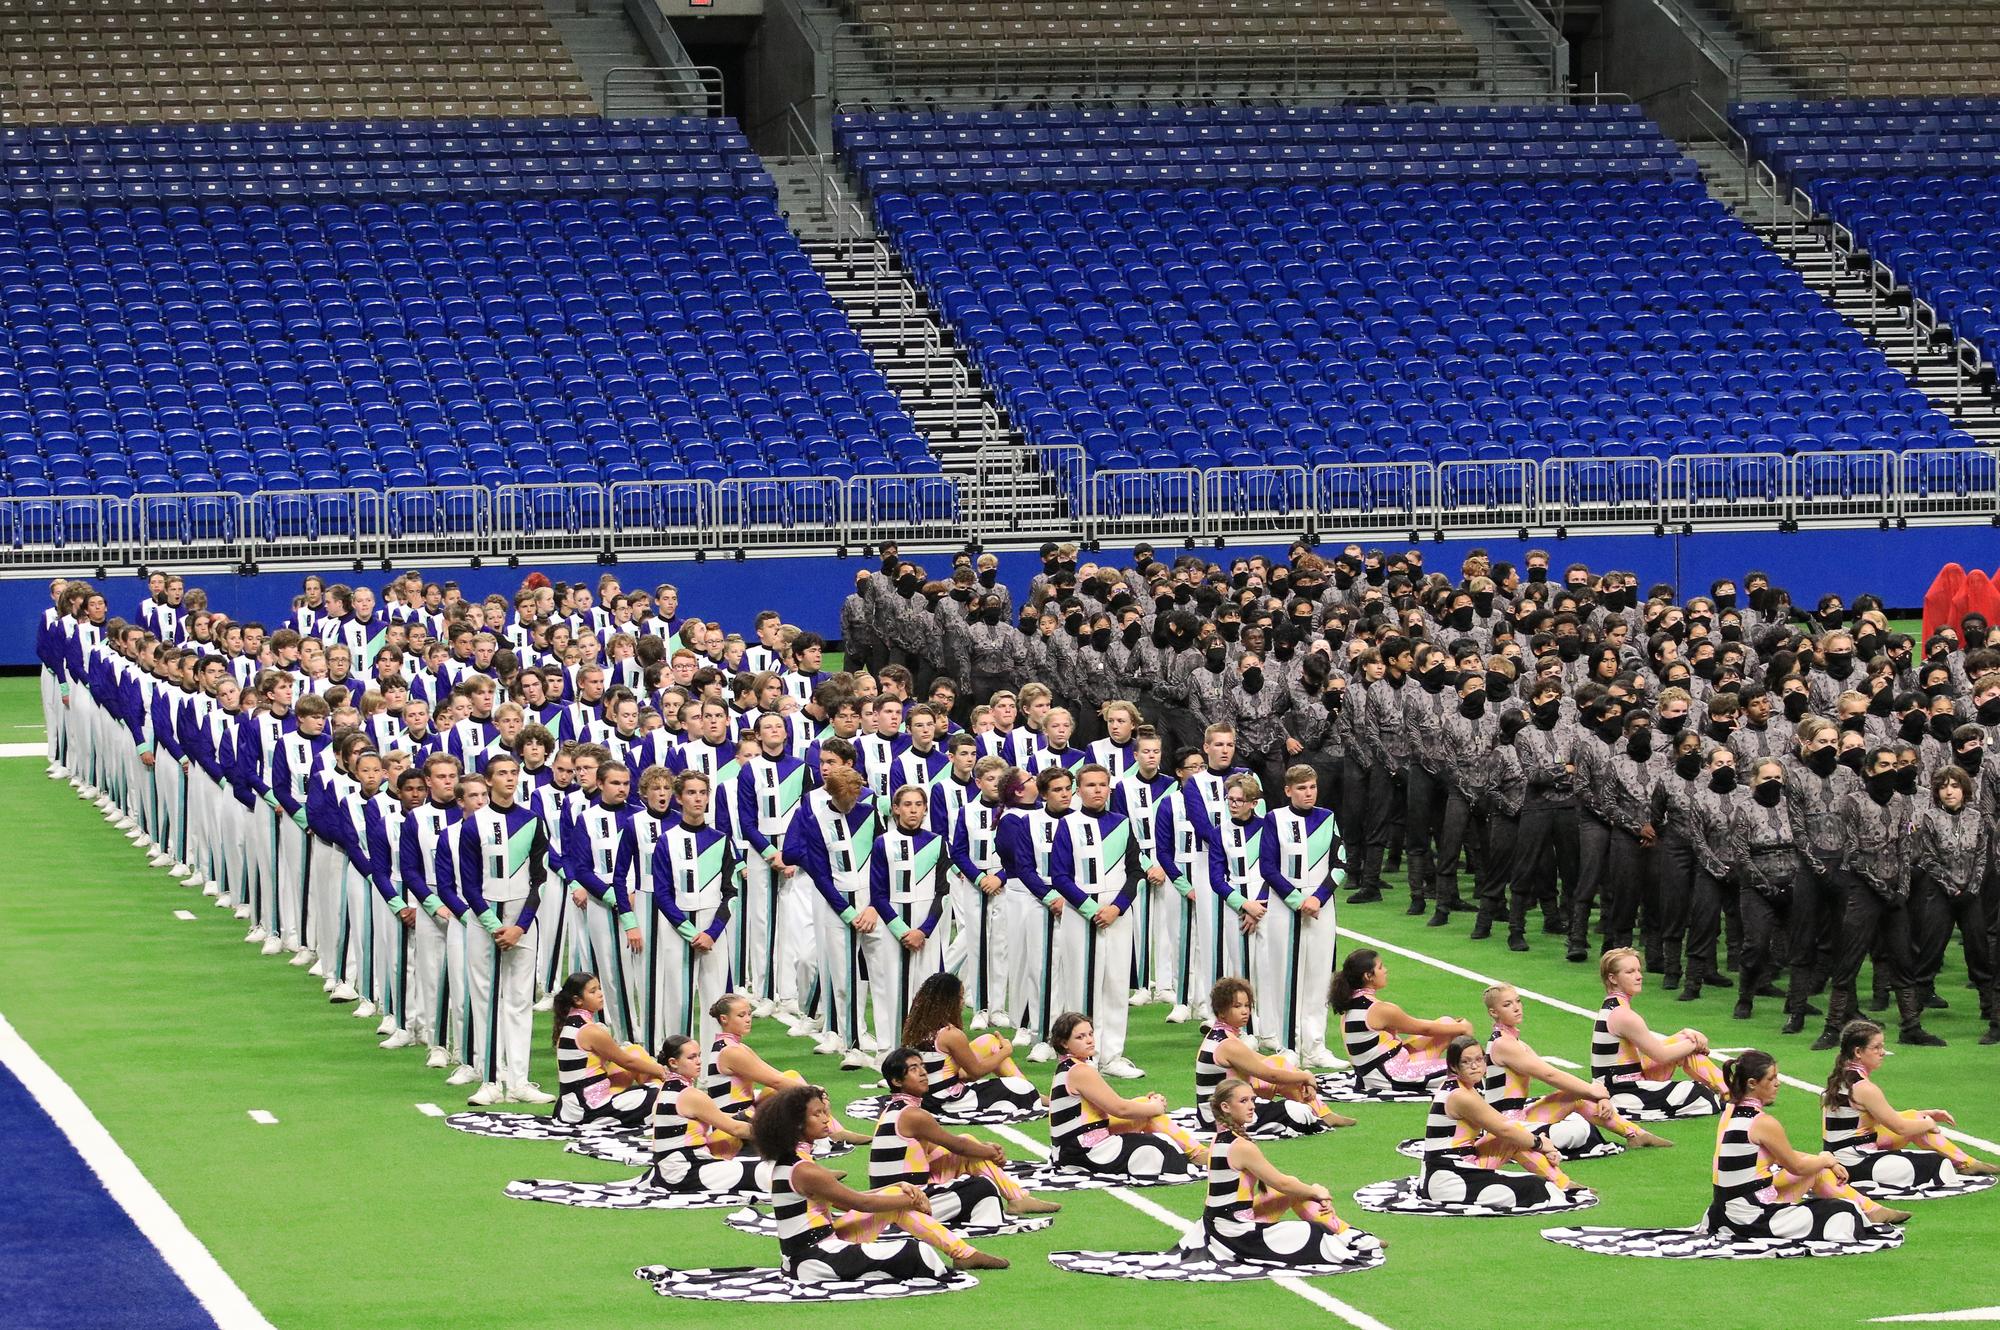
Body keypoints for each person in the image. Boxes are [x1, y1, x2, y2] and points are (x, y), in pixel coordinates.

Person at [752, 1084, 1009, 1281]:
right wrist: (909, 1200)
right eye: (816, 1114)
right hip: (813, 1259)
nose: (826, 1118)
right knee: (916, 1254)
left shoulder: (795, 1161)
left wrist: (899, 1191)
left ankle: (964, 1254)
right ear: (797, 1124)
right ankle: (964, 1253)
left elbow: (851, 1198)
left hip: (816, 1247)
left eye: (824, 1112)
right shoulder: (804, 1170)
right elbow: (861, 1203)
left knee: (898, 1203)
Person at [1710, 1049, 1907, 1238]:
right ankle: (1870, 1210)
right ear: (1752, 1083)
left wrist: (1824, 1161)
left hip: (1723, 1212)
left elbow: (1784, 1155)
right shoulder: (1763, 1122)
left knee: (1819, 1171)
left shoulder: (1730, 1111)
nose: (1778, 1083)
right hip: (1749, 1217)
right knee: (1844, 1211)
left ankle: (1873, 1210)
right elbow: (1797, 1167)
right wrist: (1827, 1159)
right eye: (1771, 1079)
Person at [1201, 1078, 1379, 1266]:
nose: (1252, 1106)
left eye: (1252, 1100)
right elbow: (1281, 1183)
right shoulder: (1241, 1146)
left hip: (1218, 1224)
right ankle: (1349, 1236)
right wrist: (1317, 1192)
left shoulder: (1219, 1139)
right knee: (1315, 1233)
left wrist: (1311, 1192)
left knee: (1297, 1190)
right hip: (1233, 1233)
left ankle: (1347, 1234)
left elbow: (1286, 1185)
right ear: (1225, 1107)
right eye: (1243, 1101)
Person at [872, 1048, 1061, 1219]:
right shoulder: (913, 1115)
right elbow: (957, 1146)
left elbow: (939, 1148)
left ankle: (1017, 1198)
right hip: (904, 1201)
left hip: (898, 1193)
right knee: (982, 1188)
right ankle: (1017, 1198)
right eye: (914, 1069)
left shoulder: (896, 1109)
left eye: (922, 1066)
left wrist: (980, 1148)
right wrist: (989, 1152)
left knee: (969, 1144)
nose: (923, 1072)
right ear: (897, 1081)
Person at [1482, 984, 1671, 1152]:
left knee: (1577, 1097)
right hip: (1504, 1125)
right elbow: (1549, 1075)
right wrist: (1594, 1092)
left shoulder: (1513, 1041)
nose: (1516, 1007)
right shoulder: (1504, 1044)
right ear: (1493, 1012)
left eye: (1518, 1001)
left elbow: (1552, 1072)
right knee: (1578, 1128)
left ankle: (1635, 1134)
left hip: (1518, 1116)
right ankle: (1634, 1134)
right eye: (1507, 1005)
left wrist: (1595, 1094)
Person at [1822, 1020, 1996, 1191]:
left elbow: (1876, 1118)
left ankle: (1967, 1163)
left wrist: (1924, 1115)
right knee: (1937, 1164)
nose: (1882, 1052)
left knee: (1914, 1116)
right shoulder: (1864, 1088)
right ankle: (1966, 1164)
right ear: (1858, 1052)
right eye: (1876, 1048)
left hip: (1845, 1152)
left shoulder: (1842, 1077)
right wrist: (1928, 1123)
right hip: (1854, 1161)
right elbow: (1901, 1128)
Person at [1419, 1035, 1578, 1202]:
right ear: (1453, 1066)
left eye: (1479, 1059)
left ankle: (1562, 1183)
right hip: (1449, 1176)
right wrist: (1540, 1144)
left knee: (1518, 1137)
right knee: (1536, 1187)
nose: (1474, 1066)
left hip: (1460, 1163)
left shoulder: (1462, 1087)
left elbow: (1508, 1127)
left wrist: (1542, 1145)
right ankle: (1560, 1184)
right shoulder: (1460, 1096)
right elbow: (1503, 1128)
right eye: (1466, 1062)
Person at [1048, 1011, 1206, 1178]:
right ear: (1064, 1043)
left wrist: (1147, 1106)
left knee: (1143, 1104)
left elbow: (1111, 1108)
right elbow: (1120, 1109)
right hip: (1084, 1151)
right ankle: (1198, 1153)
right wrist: (1155, 1107)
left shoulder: (1069, 1067)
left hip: (1070, 1148)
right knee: (1159, 1146)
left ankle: (1197, 1152)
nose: (1089, 1040)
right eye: (1080, 1037)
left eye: (1090, 1034)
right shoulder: (1080, 1071)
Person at [1257, 764, 1344, 1066]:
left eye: (1312, 787)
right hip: (1284, 906)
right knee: (1285, 976)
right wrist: (1297, 900)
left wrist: (1318, 898)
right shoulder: (1274, 819)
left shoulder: (1327, 818)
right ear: (1288, 790)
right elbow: (1267, 866)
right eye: (1302, 788)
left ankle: (1315, 1047)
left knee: (1319, 975)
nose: (1309, 793)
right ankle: (1288, 1047)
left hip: (1321, 906)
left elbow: (1340, 863)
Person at [1194, 978, 1355, 1133]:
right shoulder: (1228, 1044)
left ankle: (1323, 1114)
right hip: (1221, 1117)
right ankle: (1321, 1114)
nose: (1245, 1011)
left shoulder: (1220, 1035)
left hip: (1221, 1108)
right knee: (1298, 1112)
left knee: (1278, 1063)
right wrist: (1305, 1077)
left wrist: (1300, 1075)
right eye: (1237, 1006)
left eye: (1247, 1005)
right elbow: (1271, 1075)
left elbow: (1266, 1062)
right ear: (1221, 1012)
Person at [1590, 948, 1726, 1118]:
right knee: (1699, 1093)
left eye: (1638, 970)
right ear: (1613, 978)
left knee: (1684, 1041)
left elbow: (1656, 1050)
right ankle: (1732, 1092)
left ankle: (1730, 1092)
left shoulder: (1613, 1007)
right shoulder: (1623, 1015)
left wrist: (1686, 1035)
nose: (1639, 976)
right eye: (1630, 972)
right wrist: (1695, 1043)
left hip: (1622, 1082)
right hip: (1621, 1090)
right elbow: (1661, 1055)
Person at [900, 972, 1042, 1116]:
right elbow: (976, 1072)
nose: (962, 1002)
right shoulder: (951, 1034)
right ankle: (1037, 1096)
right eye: (960, 997)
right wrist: (1006, 1051)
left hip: (924, 1095)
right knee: (1021, 1087)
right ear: (949, 1002)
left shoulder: (915, 1027)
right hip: (946, 1100)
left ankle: (1037, 1096)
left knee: (989, 1041)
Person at [1331, 948, 1469, 1094]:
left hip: (1373, 1072)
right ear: (1368, 976)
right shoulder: (1378, 1009)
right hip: (1391, 1075)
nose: (1385, 970)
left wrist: (1454, 1027)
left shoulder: (1350, 1005)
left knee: (1447, 1023)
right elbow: (1424, 1029)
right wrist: (1463, 1028)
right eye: (1380, 967)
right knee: (1467, 1070)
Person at [644, 1034, 761, 1194]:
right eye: (691, 1057)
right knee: (762, 1172)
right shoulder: (689, 1095)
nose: (699, 1061)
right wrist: (778, 1134)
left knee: (744, 1119)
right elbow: (736, 1129)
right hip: (685, 1172)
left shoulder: (669, 1088)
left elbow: (725, 1119)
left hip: (671, 1170)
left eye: (699, 1055)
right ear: (673, 1062)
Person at [548, 972, 666, 1127]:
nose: (600, 994)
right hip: (588, 1108)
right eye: (593, 991)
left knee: (634, 1050)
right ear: (577, 1000)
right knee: (661, 1096)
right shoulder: (590, 1031)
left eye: (599, 988)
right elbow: (627, 1062)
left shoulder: (572, 1022)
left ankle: (663, 1089)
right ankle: (668, 1091)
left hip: (571, 1105)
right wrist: (662, 1071)